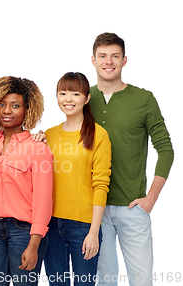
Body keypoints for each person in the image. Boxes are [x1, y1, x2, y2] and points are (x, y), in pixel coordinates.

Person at [89, 33, 174, 286]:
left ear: (124, 60)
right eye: (102, 56)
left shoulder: (143, 99)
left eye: (115, 56)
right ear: (92, 60)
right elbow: (67, 137)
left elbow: (166, 150)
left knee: (141, 281)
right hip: (95, 210)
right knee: (104, 281)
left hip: (133, 208)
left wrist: (151, 198)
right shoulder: (83, 98)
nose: (109, 61)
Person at [0, 76, 53, 286]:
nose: (7, 111)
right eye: (1, 105)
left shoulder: (38, 148)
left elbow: (43, 201)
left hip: (24, 233)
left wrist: (34, 245)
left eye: (15, 105)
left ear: (27, 110)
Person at [44, 72, 112, 286]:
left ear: (87, 98)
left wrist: (93, 232)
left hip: (84, 226)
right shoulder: (49, 135)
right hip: (51, 225)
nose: (68, 99)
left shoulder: (99, 135)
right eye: (62, 93)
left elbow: (101, 185)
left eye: (75, 93)